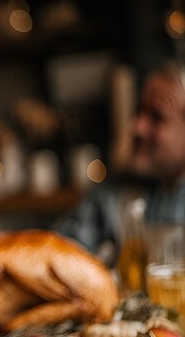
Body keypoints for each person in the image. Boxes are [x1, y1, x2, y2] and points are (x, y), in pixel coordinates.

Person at [56, 61, 185, 262]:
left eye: (157, 117)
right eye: (140, 111)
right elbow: (57, 252)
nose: (137, 127)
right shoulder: (111, 194)